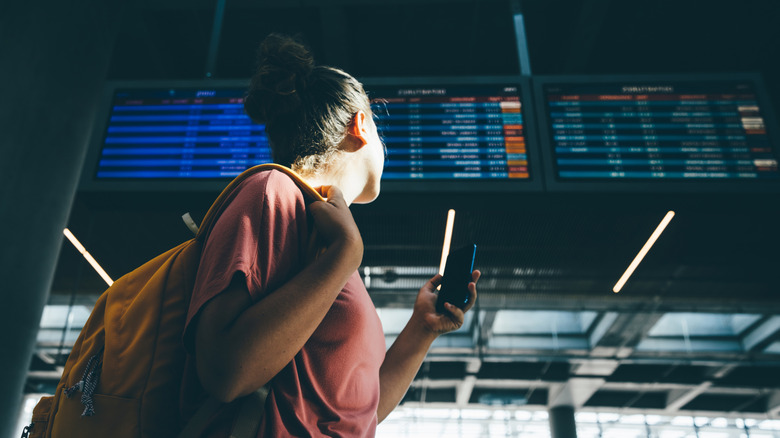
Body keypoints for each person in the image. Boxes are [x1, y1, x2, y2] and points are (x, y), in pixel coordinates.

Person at [179, 33, 480, 437]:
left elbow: (354, 415)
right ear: (360, 125)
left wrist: (422, 328)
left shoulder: (324, 241)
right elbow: (225, 373)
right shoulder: (273, 192)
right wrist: (345, 255)